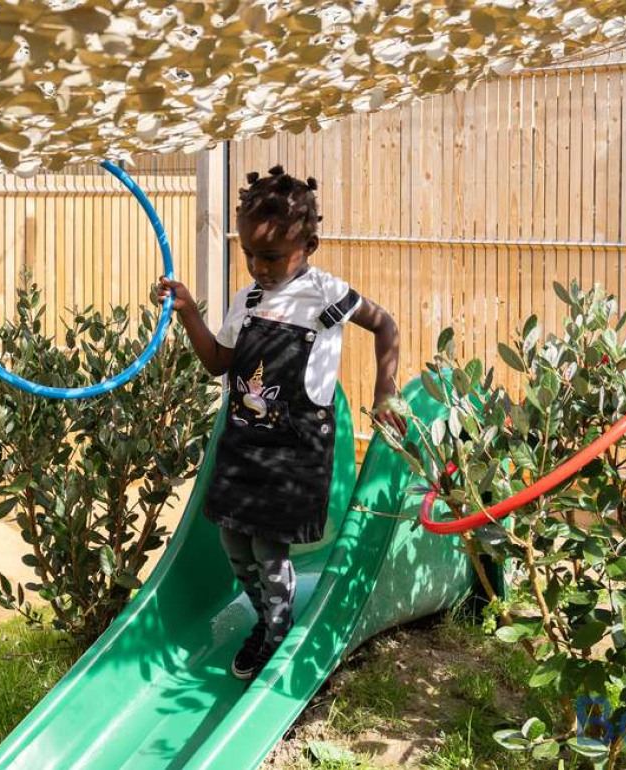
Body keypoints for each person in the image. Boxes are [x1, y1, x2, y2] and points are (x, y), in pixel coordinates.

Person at [156, 165, 405, 680]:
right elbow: (218, 364)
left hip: (296, 447)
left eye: (271, 256)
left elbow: (385, 325)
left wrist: (386, 393)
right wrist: (186, 312)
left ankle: (276, 629)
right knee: (233, 541)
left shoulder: (325, 294)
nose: (258, 267)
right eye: (249, 254)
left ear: (309, 244)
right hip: (244, 442)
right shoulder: (247, 300)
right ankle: (268, 613)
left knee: (269, 547)